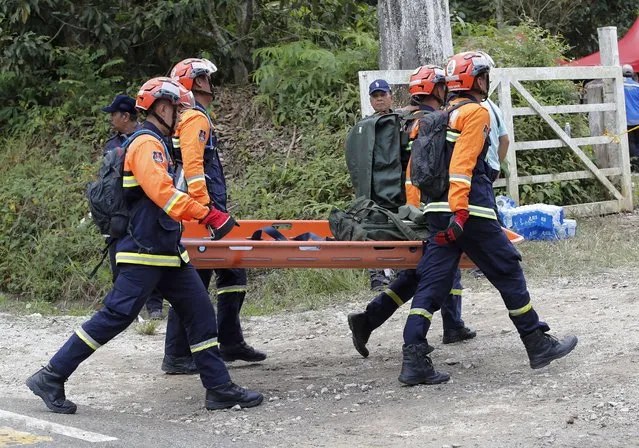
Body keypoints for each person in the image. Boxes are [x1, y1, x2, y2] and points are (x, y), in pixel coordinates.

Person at [26, 77, 263, 414]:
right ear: (161, 107)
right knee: (115, 316)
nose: (183, 115)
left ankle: (219, 388)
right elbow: (164, 195)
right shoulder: (146, 145)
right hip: (143, 252)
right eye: (178, 108)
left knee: (199, 313)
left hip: (166, 252)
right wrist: (208, 216)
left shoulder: (159, 143)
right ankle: (52, 375)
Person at [397, 51, 578, 386]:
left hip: (437, 213)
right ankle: (536, 343)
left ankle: (414, 357)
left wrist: (426, 211)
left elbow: (415, 173)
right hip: (471, 213)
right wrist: (461, 213)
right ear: (476, 80)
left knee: (433, 281)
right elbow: (463, 165)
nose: (488, 82)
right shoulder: (474, 113)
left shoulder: (429, 119)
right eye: (485, 76)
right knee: (507, 269)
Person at [348, 66, 475, 359]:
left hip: (411, 205)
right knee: (437, 270)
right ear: (438, 90)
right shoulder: (433, 122)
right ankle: (425, 335)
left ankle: (370, 319)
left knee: (420, 272)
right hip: (429, 208)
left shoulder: (405, 122)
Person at [160, 58, 265, 376]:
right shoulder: (194, 119)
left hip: (206, 209)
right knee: (194, 281)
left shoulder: (196, 117)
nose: (209, 81)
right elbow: (193, 168)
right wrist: (208, 213)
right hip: (202, 211)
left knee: (233, 272)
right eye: (204, 76)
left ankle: (229, 341)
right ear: (193, 83)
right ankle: (177, 355)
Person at [101, 94, 164, 320]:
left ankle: (154, 307)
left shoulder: (149, 139)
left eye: (113, 114)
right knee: (118, 257)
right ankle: (122, 310)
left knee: (149, 253)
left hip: (143, 209)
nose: (111, 119)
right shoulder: (111, 144)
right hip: (118, 211)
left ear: (125, 116)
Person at [365, 78, 396, 290]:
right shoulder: (365, 126)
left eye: (383, 95)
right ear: (370, 100)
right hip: (374, 187)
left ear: (390, 96)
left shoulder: (402, 120)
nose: (379, 99)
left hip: (397, 184)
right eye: (376, 97)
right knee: (374, 229)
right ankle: (377, 275)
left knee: (398, 228)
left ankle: (401, 272)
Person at [622, 64, 639, 170]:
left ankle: (635, 164)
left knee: (631, 142)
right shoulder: (637, 86)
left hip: (627, 120)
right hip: (638, 119)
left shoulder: (620, 87)